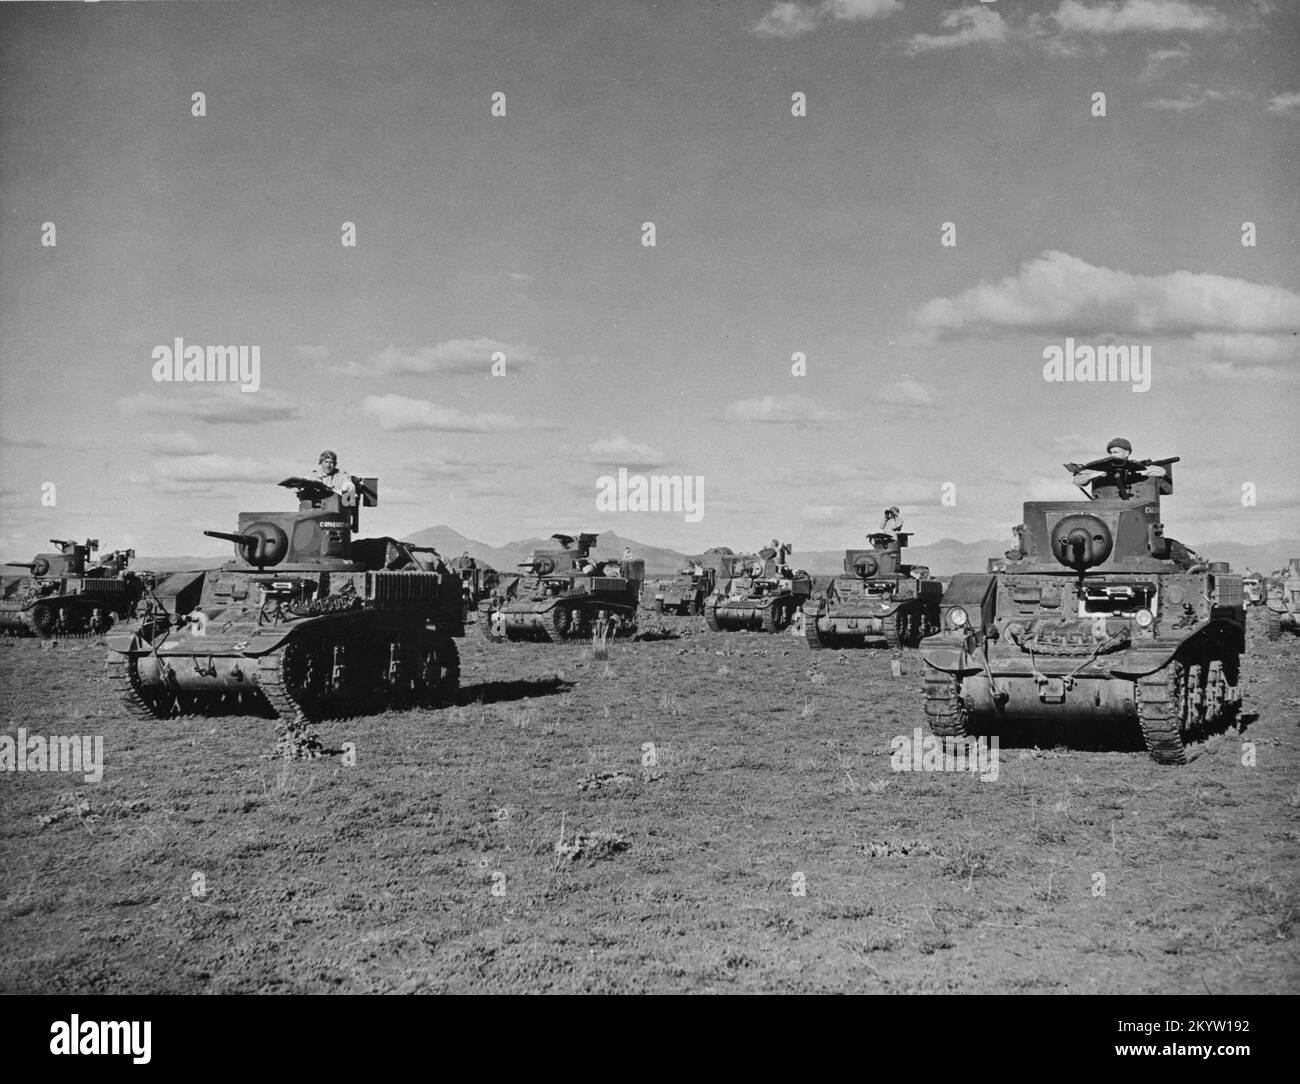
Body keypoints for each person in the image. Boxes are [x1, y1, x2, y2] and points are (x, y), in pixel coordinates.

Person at [1067, 437, 1165, 498]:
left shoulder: (1135, 467)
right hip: (1104, 506)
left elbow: (1161, 472)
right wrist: (1095, 474)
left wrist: (1145, 472)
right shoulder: (1100, 467)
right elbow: (1078, 480)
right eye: (1110, 452)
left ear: (1126, 453)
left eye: (1116, 452)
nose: (1112, 455)